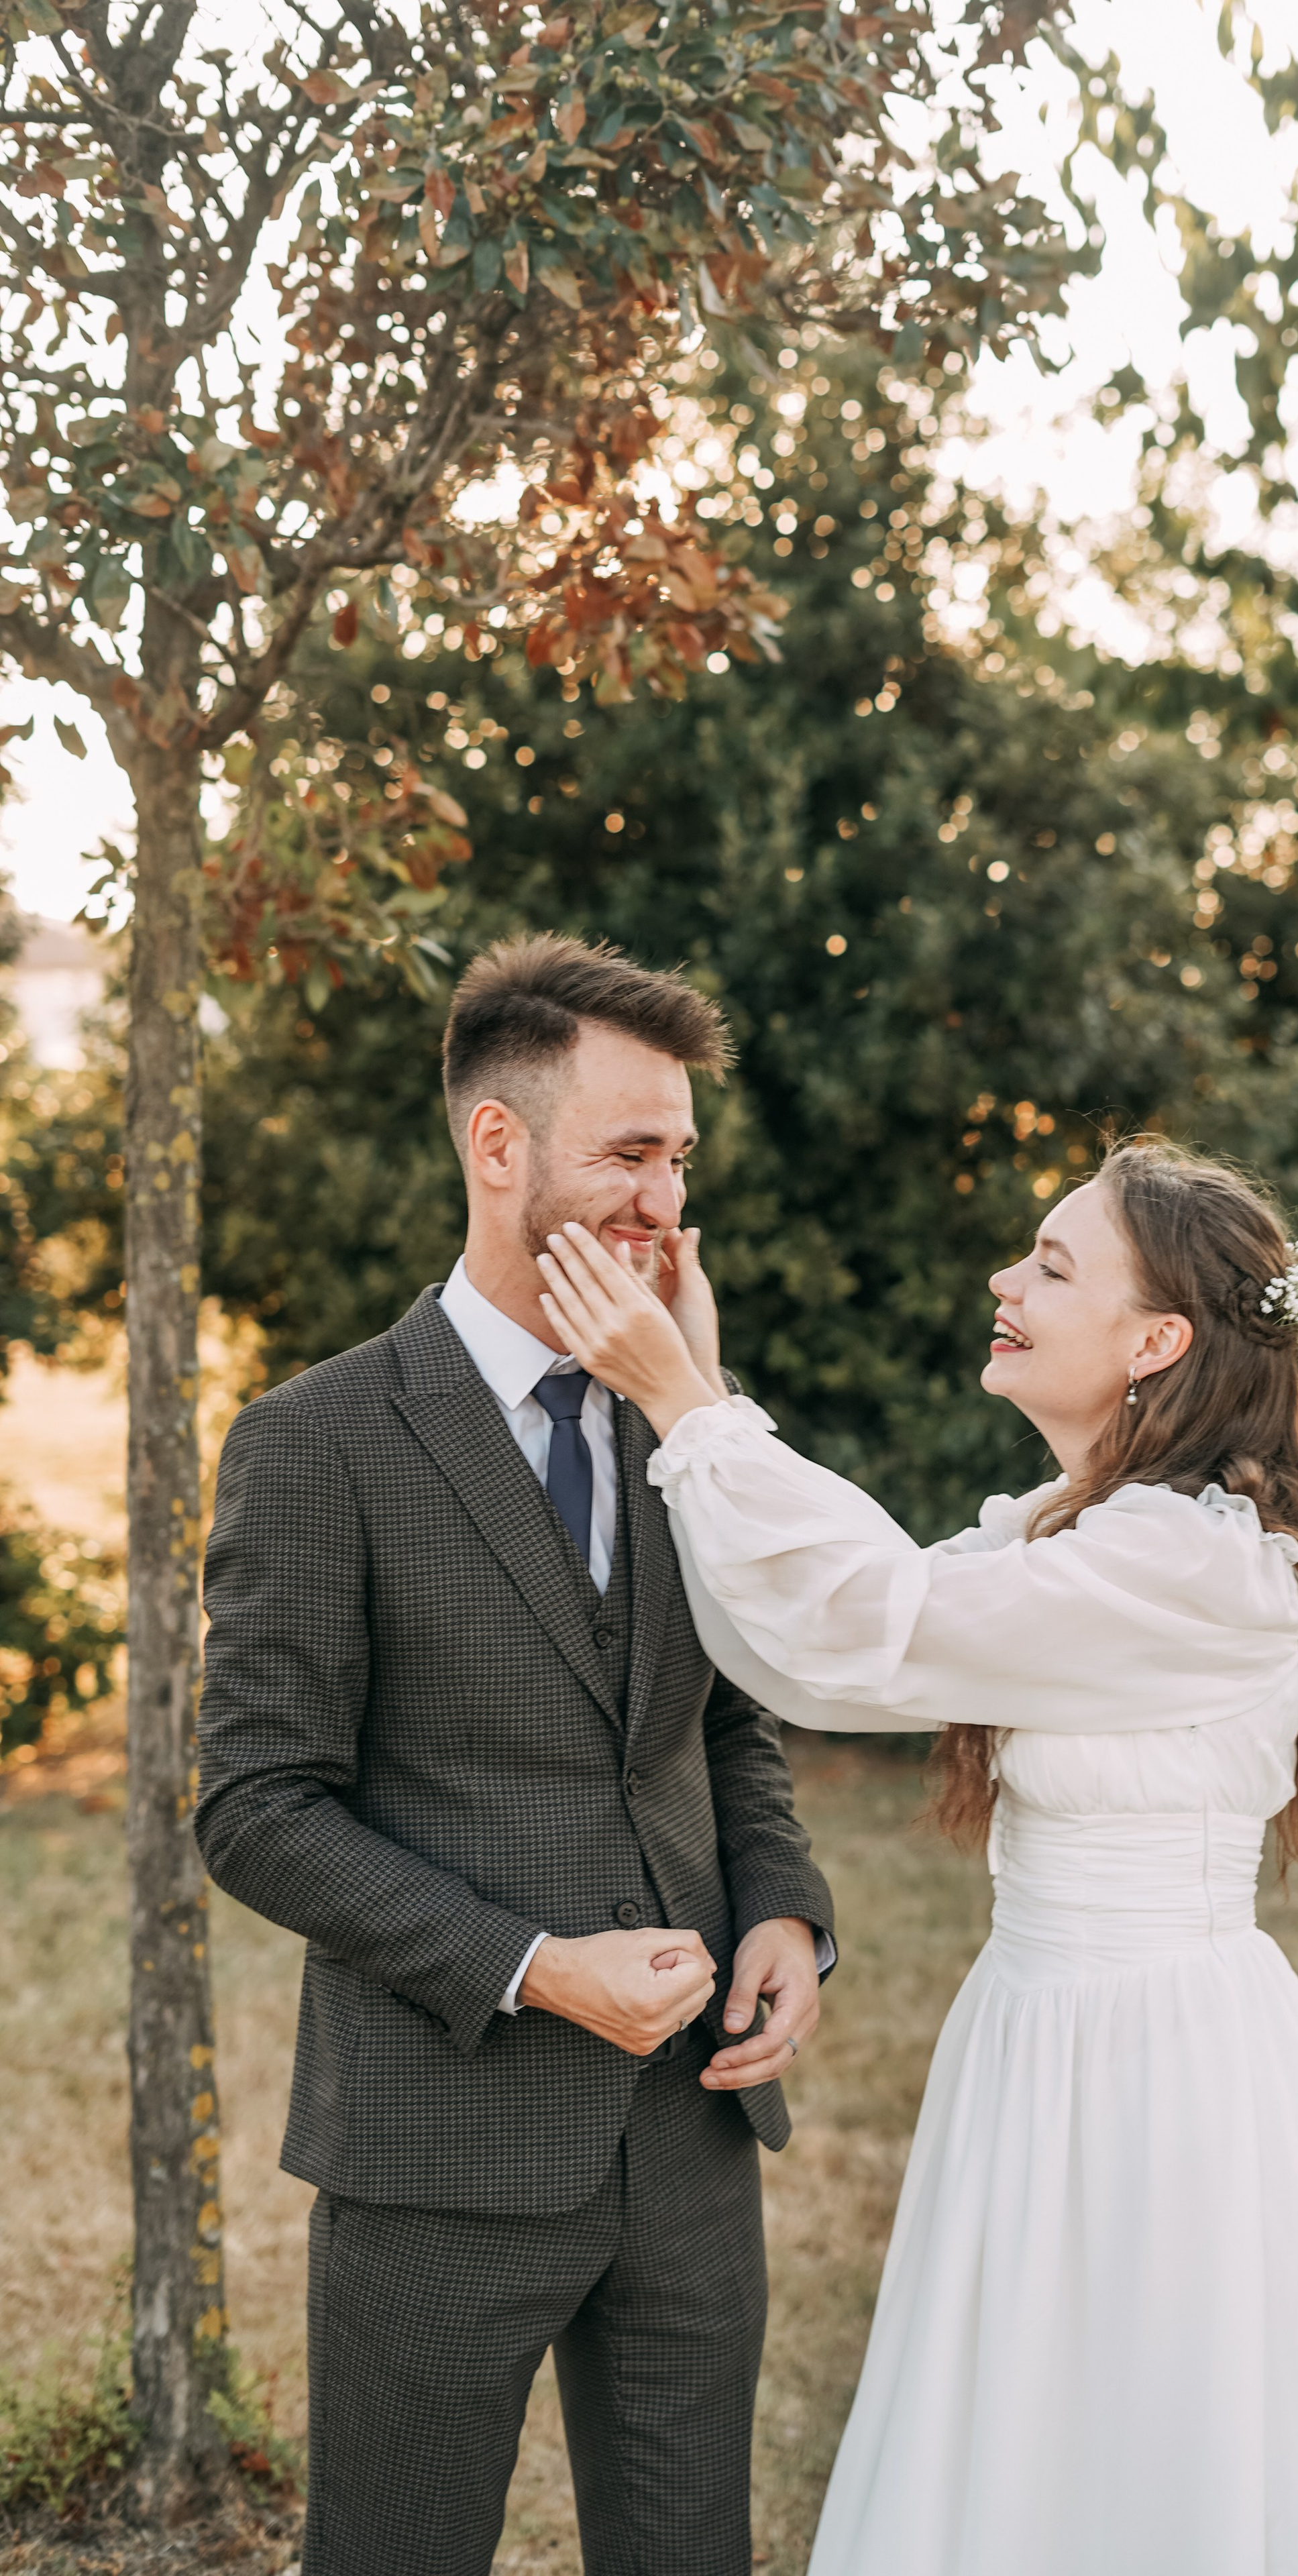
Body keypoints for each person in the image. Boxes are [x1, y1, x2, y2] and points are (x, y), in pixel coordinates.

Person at [535, 1134, 1298, 2576]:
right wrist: (701, 1391)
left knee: (1137, 2429)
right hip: (1032, 2026)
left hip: (1155, 2062)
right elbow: (820, 1648)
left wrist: (684, 1403)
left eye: (1053, 1264)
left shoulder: (1183, 1566)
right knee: (1019, 2421)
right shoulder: (1080, 1535)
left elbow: (874, 1621)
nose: (1005, 1278)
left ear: (1154, 1340)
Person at [196, 933, 835, 2576]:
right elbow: (258, 1808)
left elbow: (728, 1721)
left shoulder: (684, 1417)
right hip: (439, 2145)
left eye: (678, 1159)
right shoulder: (316, 1441)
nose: (661, 1202)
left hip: (692, 2137)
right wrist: (539, 1967)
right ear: (499, 1146)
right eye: (628, 1153)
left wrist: (785, 1914)